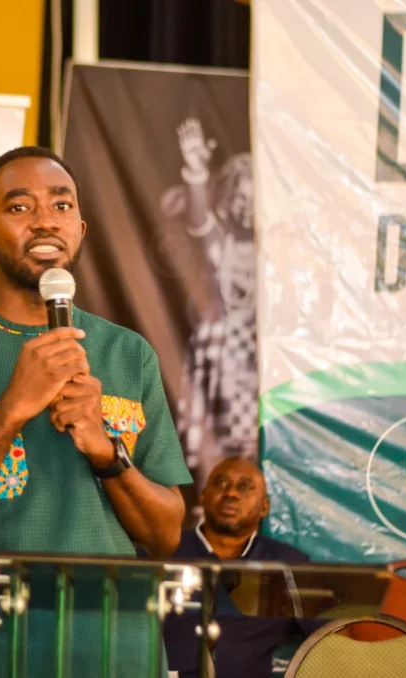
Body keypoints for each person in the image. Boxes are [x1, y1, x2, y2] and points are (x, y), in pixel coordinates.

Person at [0, 146, 193, 677]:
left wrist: (106, 451)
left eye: (61, 205)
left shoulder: (128, 353)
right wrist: (9, 412)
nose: (46, 220)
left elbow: (166, 534)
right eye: (20, 207)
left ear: (81, 230)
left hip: (117, 655)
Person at [160, 118, 258, 488]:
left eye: (255, 199)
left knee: (252, 449)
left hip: (257, 359)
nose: (246, 208)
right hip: (217, 354)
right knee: (210, 452)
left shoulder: (278, 249)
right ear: (228, 198)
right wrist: (196, 171)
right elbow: (199, 221)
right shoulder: (220, 240)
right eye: (240, 197)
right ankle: (205, 510)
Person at [162, 457, 316, 678]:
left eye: (244, 487)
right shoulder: (162, 553)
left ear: (264, 508)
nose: (231, 493)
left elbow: (332, 634)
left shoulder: (288, 564)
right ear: (202, 497)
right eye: (220, 483)